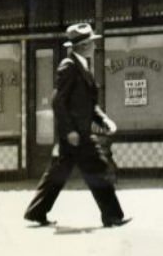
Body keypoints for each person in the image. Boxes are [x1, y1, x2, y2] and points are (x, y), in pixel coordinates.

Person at [24, 22, 128, 228]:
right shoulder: (69, 66)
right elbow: (58, 102)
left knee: (58, 173)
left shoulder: (82, 66)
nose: (93, 46)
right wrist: (70, 130)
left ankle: (37, 212)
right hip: (76, 134)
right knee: (98, 168)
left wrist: (104, 120)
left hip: (77, 134)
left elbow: (89, 104)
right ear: (83, 45)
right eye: (91, 43)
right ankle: (112, 216)